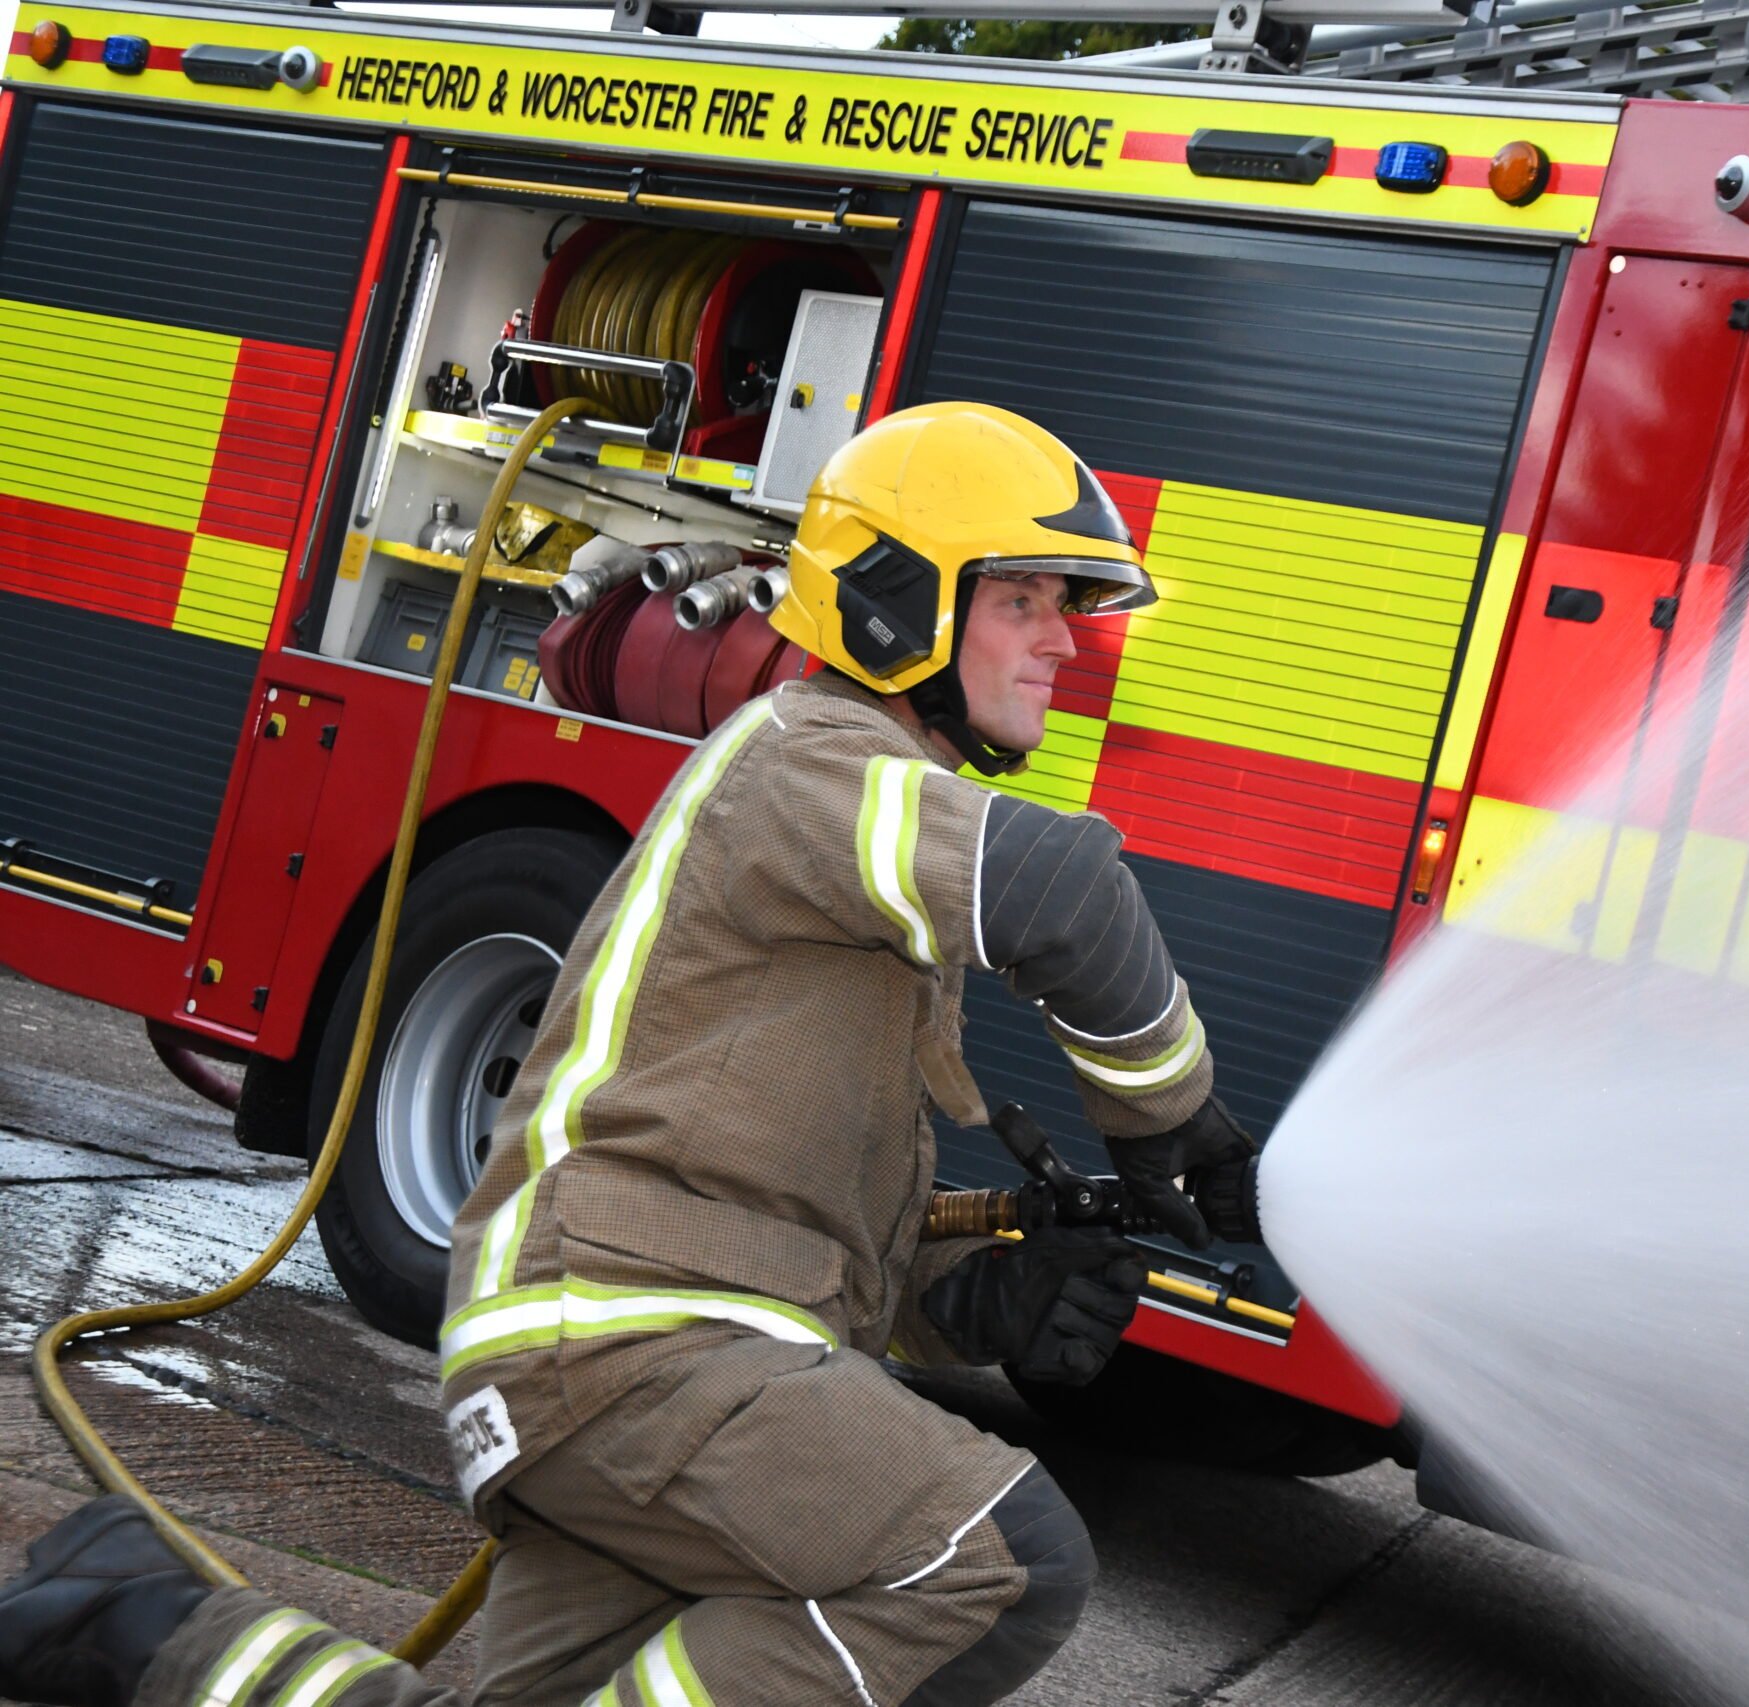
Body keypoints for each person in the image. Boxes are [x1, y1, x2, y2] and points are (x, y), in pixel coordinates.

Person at [0, 402, 1261, 1707]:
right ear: (900, 602)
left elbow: (798, 1217)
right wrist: (1174, 1120)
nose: (1068, 638)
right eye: (1027, 597)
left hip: (615, 1350)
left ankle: (148, 1627)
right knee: (994, 1560)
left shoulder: (859, 857)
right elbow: (1069, 895)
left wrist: (990, 1297)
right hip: (630, 1349)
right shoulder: (812, 760)